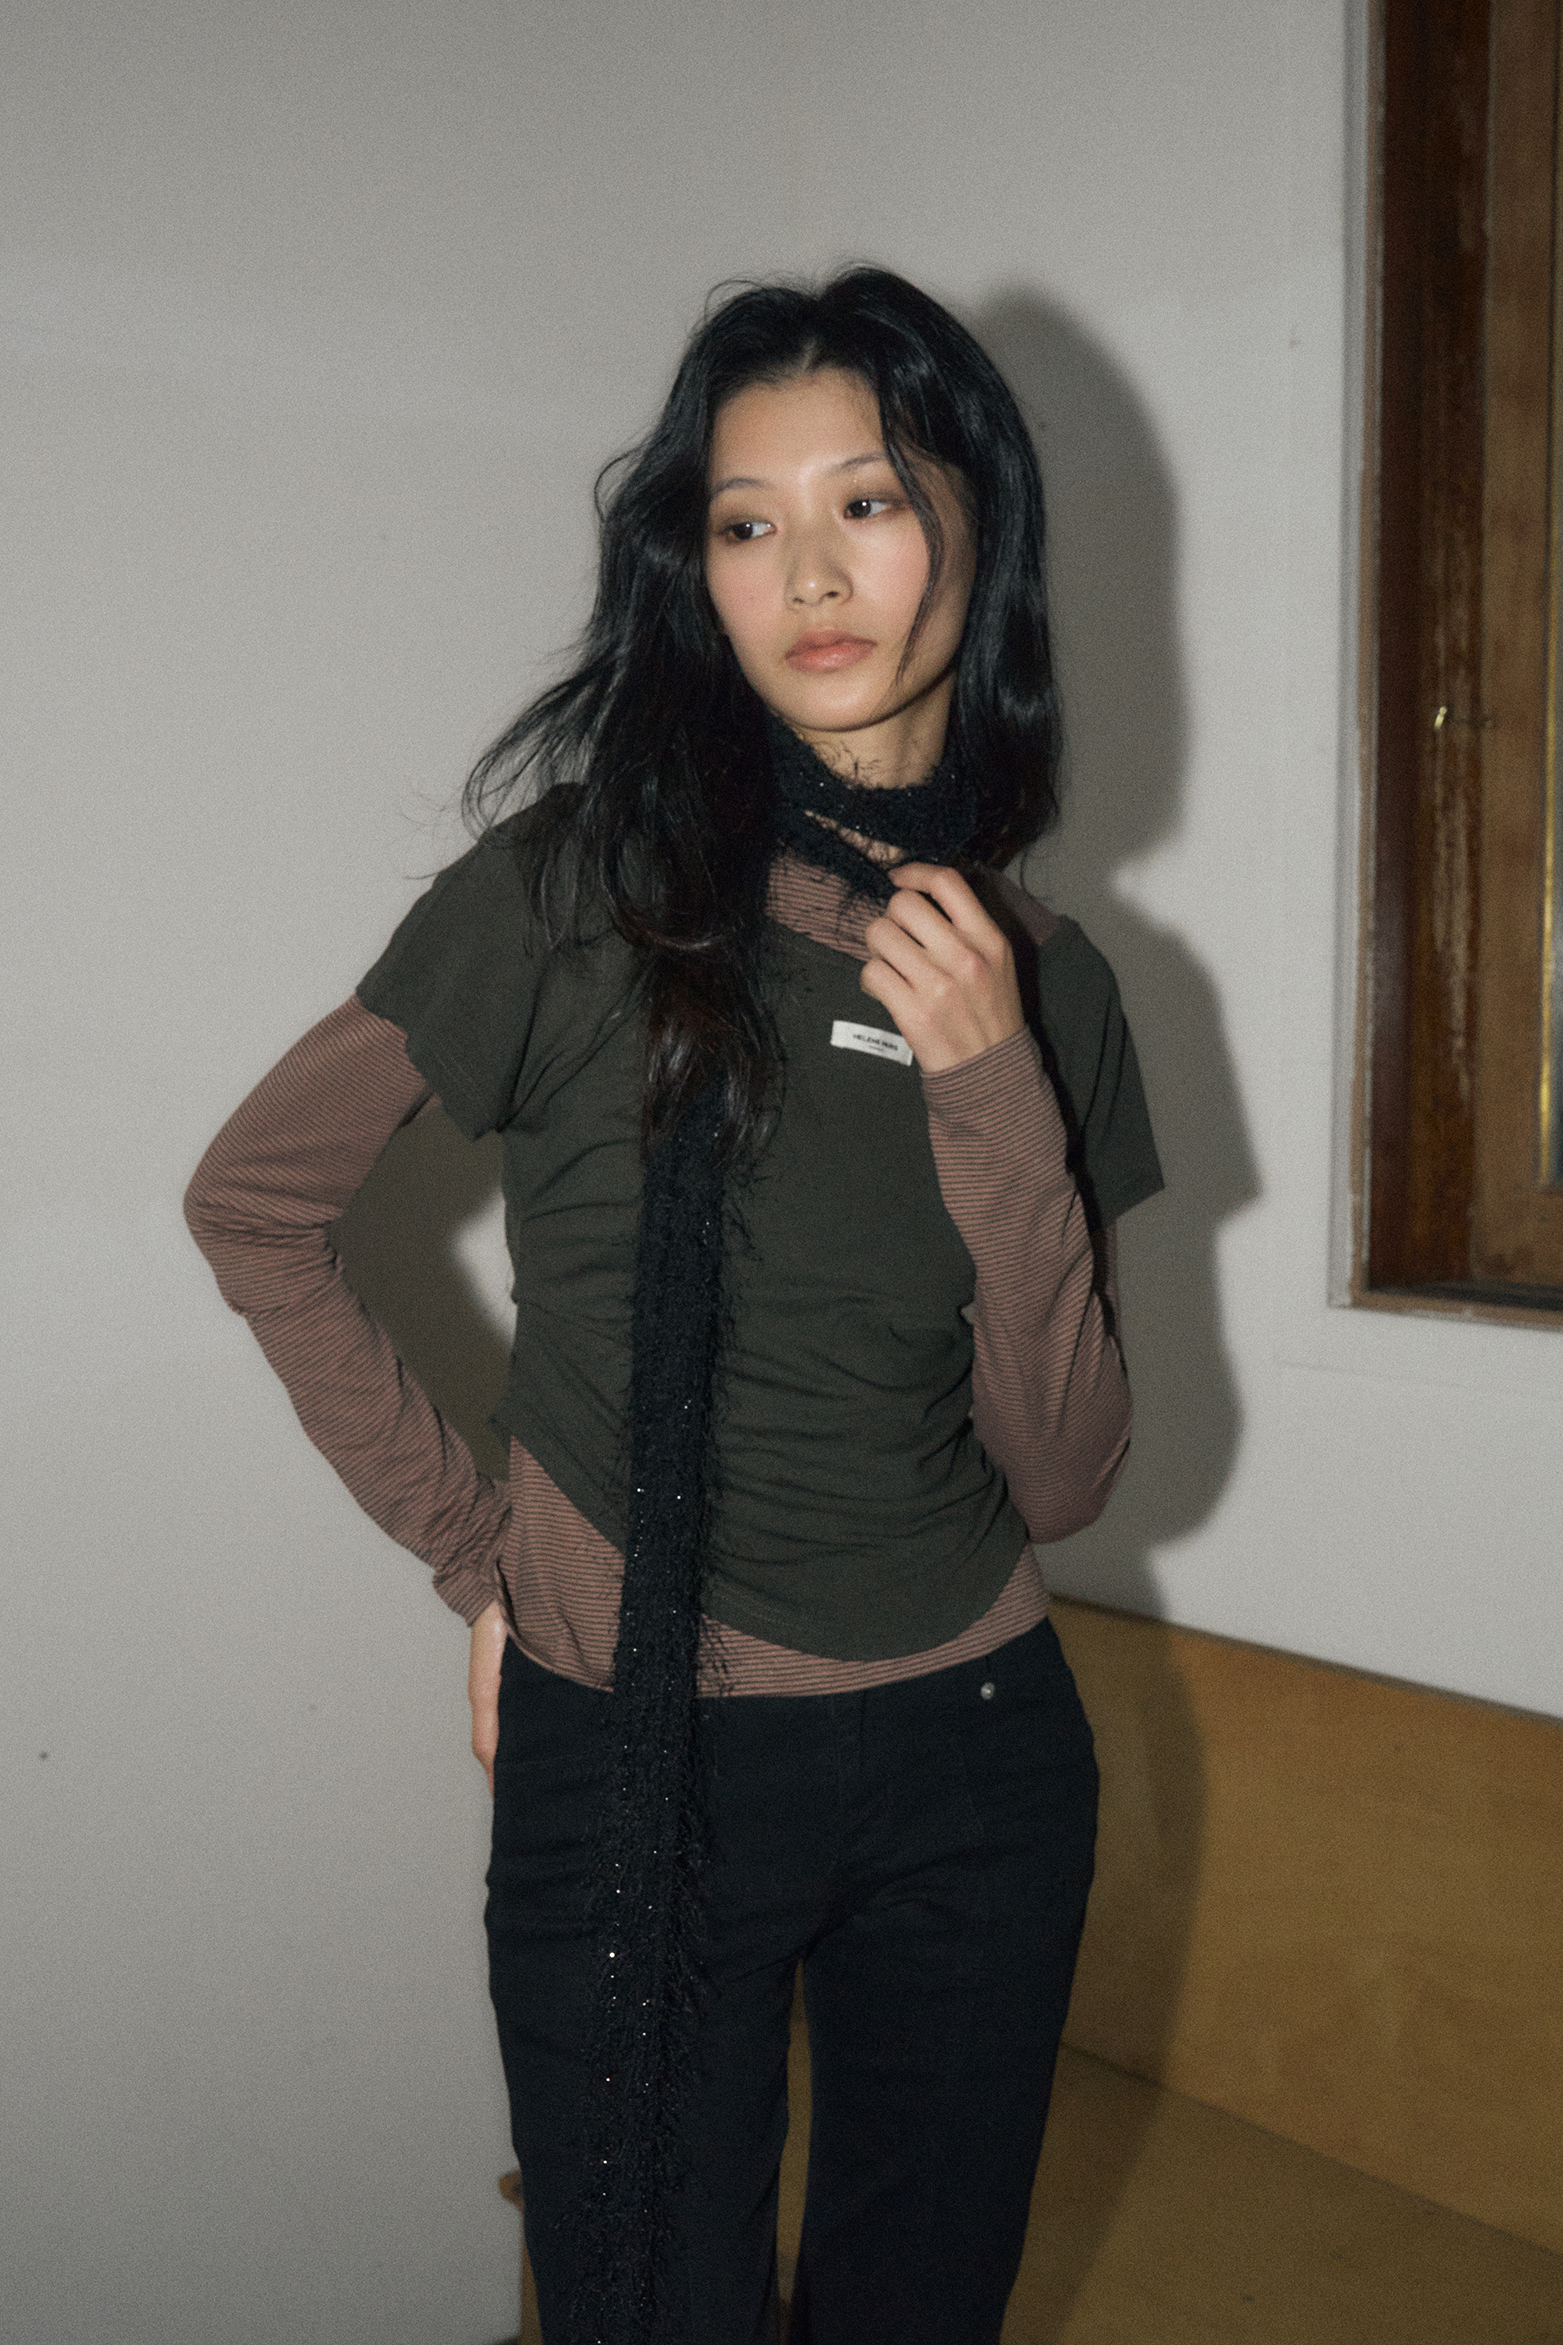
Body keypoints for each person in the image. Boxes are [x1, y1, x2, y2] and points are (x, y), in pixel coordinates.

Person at [185, 266, 1162, 2345]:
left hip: (981, 1754)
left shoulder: (1050, 980)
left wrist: (991, 1086)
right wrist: (485, 1554)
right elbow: (254, 1203)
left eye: (867, 500)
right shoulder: (569, 891)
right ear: (690, 573)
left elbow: (1066, 1471)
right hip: (636, 1752)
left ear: (973, 526)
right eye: (742, 520)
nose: (806, 571)